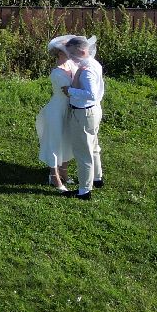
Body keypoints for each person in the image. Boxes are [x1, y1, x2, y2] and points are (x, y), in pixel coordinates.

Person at [62, 35, 105, 200]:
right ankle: (97, 178)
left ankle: (84, 190)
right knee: (93, 146)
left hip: (84, 113)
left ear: (81, 51)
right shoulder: (93, 63)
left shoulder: (87, 71)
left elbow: (91, 94)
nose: (71, 58)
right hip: (93, 112)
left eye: (72, 54)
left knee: (83, 152)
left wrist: (70, 91)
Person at [36, 37, 77, 191]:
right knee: (55, 141)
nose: (71, 53)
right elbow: (68, 93)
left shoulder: (71, 65)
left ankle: (64, 172)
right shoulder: (57, 73)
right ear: (60, 53)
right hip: (57, 109)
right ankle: (54, 176)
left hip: (69, 109)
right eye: (67, 51)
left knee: (67, 139)